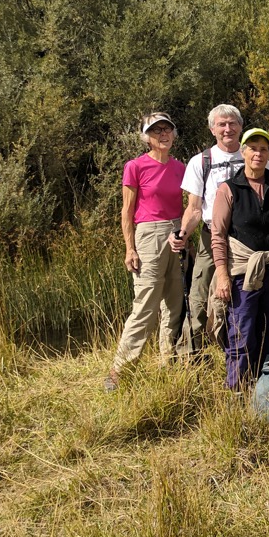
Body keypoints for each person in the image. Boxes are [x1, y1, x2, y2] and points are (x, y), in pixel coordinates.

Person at [211, 128, 269, 390]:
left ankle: (267, 389)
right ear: (243, 152)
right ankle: (237, 391)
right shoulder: (229, 189)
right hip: (242, 272)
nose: (258, 153)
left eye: (264, 149)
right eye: (252, 148)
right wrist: (222, 276)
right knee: (242, 334)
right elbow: (218, 236)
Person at [105, 112, 188, 392]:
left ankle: (169, 361)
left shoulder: (181, 168)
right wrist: (130, 248)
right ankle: (119, 370)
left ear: (174, 134)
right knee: (146, 306)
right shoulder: (135, 166)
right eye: (156, 131)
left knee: (174, 304)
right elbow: (126, 211)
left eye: (167, 129)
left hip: (176, 233)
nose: (163, 135)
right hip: (148, 235)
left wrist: (184, 233)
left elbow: (191, 205)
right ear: (146, 137)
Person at [178, 103, 246, 356]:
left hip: (245, 240)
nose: (227, 129)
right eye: (221, 124)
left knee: (244, 295)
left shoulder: (253, 155)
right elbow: (194, 208)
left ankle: (240, 350)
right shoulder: (200, 162)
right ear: (212, 129)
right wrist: (183, 234)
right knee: (199, 296)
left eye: (232, 123)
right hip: (210, 237)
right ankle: (190, 354)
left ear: (240, 126)